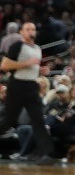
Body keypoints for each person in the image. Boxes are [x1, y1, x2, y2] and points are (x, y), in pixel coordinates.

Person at [0, 21, 53, 163]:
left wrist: (41, 70)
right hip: (17, 86)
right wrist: (27, 63)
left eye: (33, 29)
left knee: (38, 120)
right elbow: (4, 65)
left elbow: (32, 69)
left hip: (31, 86)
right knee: (8, 121)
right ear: (21, 32)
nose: (31, 31)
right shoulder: (17, 46)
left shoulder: (37, 48)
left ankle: (45, 154)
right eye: (28, 29)